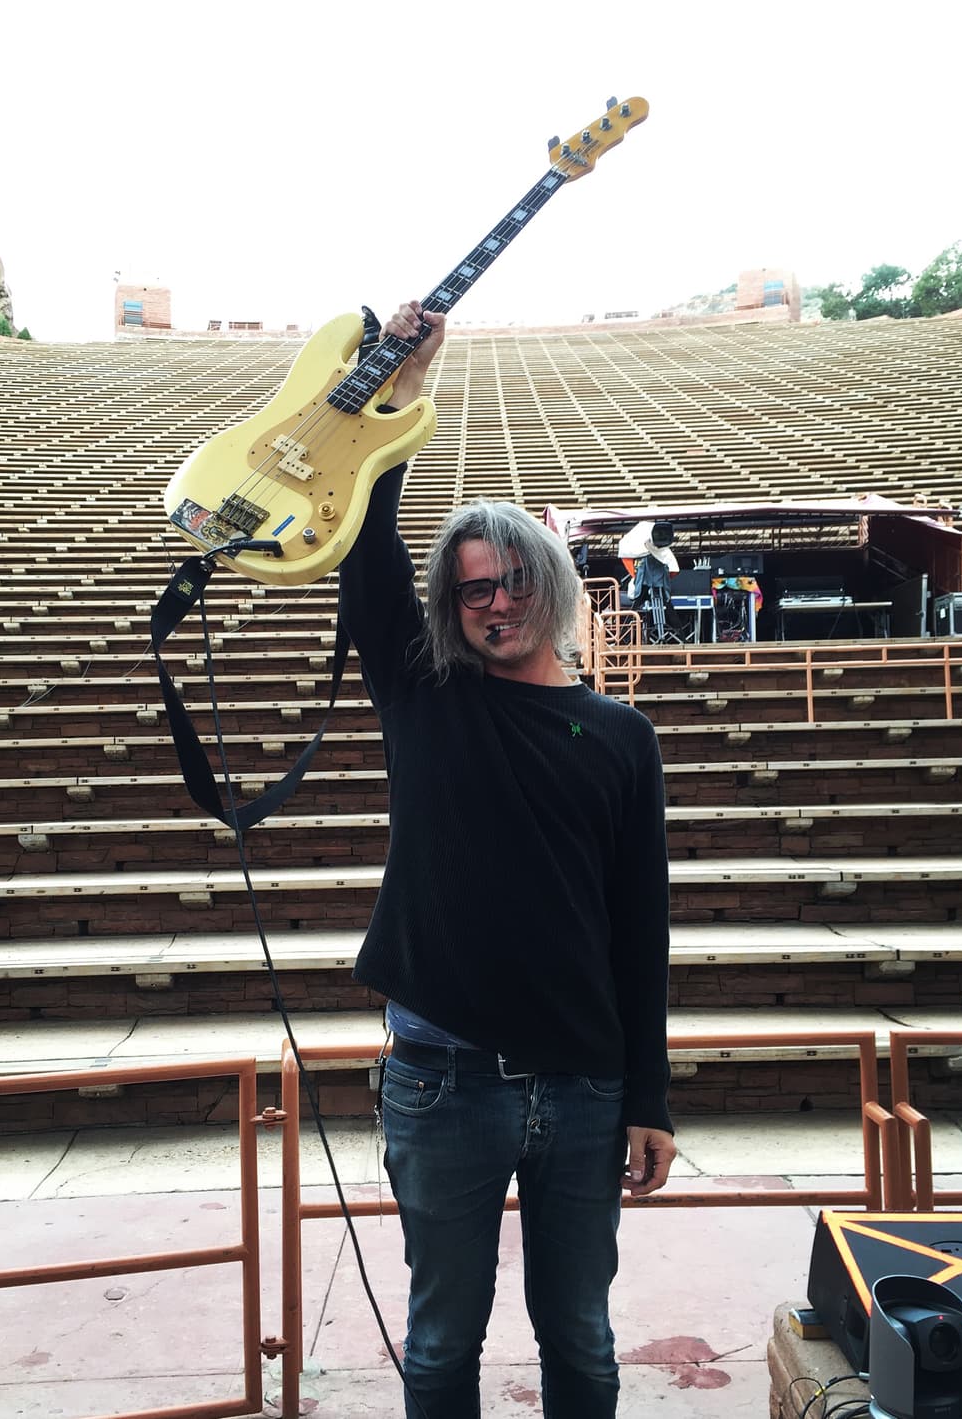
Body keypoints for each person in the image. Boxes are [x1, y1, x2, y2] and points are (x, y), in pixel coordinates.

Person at [338, 300, 676, 1419]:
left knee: (580, 1336)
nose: (496, 601)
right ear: (452, 607)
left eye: (513, 579)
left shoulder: (623, 737)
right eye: (473, 587)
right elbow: (368, 555)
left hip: (583, 1086)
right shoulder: (427, 699)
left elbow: (640, 928)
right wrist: (396, 397)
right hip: (441, 1080)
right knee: (441, 1340)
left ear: (552, 585)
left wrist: (650, 1097)